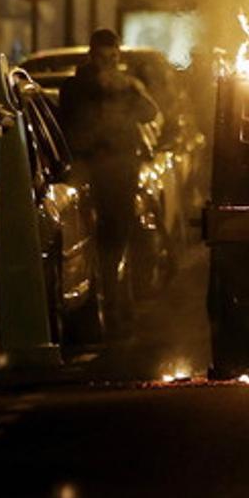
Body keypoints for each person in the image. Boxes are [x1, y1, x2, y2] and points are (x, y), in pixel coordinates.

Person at [58, 29, 160, 334]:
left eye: (114, 58)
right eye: (104, 58)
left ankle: (119, 300)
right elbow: (70, 124)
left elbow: (150, 112)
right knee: (103, 239)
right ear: (92, 56)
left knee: (120, 234)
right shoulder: (76, 88)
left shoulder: (125, 86)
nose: (109, 63)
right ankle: (109, 302)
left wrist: (128, 87)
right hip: (94, 170)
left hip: (121, 170)